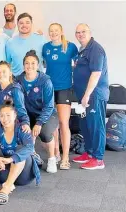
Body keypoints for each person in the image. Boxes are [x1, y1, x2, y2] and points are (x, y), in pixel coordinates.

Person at [0, 100, 40, 205]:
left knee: (21, 148)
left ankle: (6, 188)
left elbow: (29, 147)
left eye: (8, 115)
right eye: (2, 116)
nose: (5, 119)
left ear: (15, 116)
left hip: (23, 175)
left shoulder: (22, 129)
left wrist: (10, 159)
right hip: (3, 171)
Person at [72, 23, 109, 170]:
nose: (80, 34)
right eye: (78, 32)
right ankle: (89, 153)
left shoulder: (96, 49)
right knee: (85, 125)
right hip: (83, 96)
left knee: (96, 126)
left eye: (83, 31)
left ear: (90, 32)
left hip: (94, 95)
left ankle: (98, 158)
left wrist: (87, 95)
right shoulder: (83, 50)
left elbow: (96, 74)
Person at [42, 23, 78, 170]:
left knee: (63, 122)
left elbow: (78, 64)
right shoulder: (46, 47)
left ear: (61, 31)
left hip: (65, 88)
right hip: (50, 88)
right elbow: (44, 64)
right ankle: (56, 153)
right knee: (53, 124)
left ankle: (65, 158)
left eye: (56, 30)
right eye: (51, 31)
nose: (53, 33)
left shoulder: (70, 47)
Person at [16, 50, 59, 173]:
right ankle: (33, 155)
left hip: (47, 114)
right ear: (23, 65)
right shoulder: (18, 80)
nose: (30, 66)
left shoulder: (45, 81)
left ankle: (51, 158)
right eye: (27, 63)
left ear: (38, 65)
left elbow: (49, 106)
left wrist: (39, 123)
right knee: (20, 132)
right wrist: (24, 121)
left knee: (45, 133)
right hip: (28, 115)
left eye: (33, 63)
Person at [0, 61, 30, 130]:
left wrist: (25, 123)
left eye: (4, 72)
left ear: (10, 74)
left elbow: (21, 109)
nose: (1, 74)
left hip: (9, 129)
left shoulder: (15, 90)